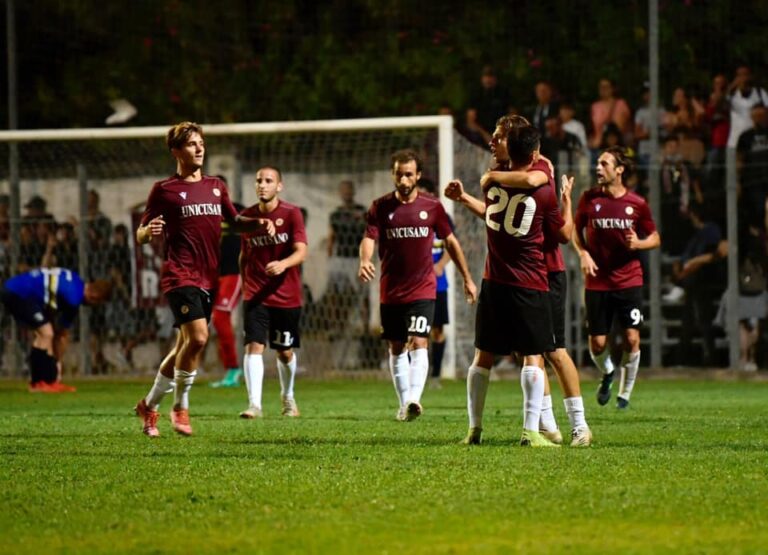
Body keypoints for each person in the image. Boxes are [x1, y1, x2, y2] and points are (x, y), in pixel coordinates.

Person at [449, 117, 591, 447]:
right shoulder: (510, 177)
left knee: (553, 351)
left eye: (498, 137)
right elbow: (503, 215)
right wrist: (469, 196)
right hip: (521, 276)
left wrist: (489, 178)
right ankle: (545, 426)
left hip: (545, 272)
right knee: (531, 353)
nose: (492, 143)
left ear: (514, 142)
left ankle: (578, 426)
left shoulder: (536, 169)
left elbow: (534, 180)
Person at [133, 121, 274, 438]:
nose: (199, 148)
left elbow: (234, 221)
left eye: (201, 143)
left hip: (209, 276)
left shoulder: (216, 186)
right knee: (198, 338)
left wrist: (257, 223)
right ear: (176, 151)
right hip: (179, 274)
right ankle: (180, 407)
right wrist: (148, 231)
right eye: (191, 144)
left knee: (184, 345)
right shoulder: (164, 190)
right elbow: (140, 233)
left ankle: (149, 405)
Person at [359, 149, 477, 422]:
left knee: (419, 340)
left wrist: (467, 278)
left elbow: (451, 242)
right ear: (393, 174)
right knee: (396, 346)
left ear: (418, 175)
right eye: (399, 174)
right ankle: (404, 404)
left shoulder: (432, 206)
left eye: (409, 174)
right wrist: (365, 260)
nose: (403, 180)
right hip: (391, 289)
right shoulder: (380, 207)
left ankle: (414, 398)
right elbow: (369, 238)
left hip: (423, 287)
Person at [573, 146, 661, 409]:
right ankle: (608, 371)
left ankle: (625, 394)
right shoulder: (589, 198)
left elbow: (655, 238)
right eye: (598, 163)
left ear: (620, 170)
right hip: (597, 280)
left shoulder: (637, 204)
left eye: (604, 164)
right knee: (598, 344)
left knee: (632, 338)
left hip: (628, 280)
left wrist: (639, 244)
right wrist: (583, 253)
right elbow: (575, 231)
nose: (598, 168)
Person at [239, 167, 308, 419]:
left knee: (284, 351)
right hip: (256, 295)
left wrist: (283, 264)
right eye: (259, 180)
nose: (262, 184)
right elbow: (244, 255)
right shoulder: (247, 218)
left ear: (279, 186)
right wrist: (244, 284)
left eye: (269, 181)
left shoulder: (291, 213)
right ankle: (254, 405)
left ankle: (288, 397)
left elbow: (302, 251)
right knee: (253, 346)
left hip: (286, 296)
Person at [0, 267, 111, 392]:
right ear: (95, 297)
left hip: (17, 289)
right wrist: (58, 362)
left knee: (46, 333)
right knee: (46, 333)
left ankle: (48, 381)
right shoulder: (73, 298)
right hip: (18, 293)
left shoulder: (76, 280)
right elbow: (62, 333)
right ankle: (38, 383)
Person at [416, 177, 452, 387]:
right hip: (416, 283)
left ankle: (436, 375)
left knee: (437, 331)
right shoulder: (411, 217)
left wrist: (441, 265)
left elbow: (452, 245)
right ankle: (417, 376)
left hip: (438, 284)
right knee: (417, 331)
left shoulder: (442, 217)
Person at [210, 193, 246, 388]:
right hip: (216, 274)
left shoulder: (238, 210)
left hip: (235, 272)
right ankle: (230, 369)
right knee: (214, 319)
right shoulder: (204, 212)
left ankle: (233, 368)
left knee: (221, 315)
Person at [326, 180, 370, 337]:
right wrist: (330, 258)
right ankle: (336, 327)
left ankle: (365, 328)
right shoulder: (336, 214)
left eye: (348, 190)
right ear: (340, 193)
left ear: (353, 192)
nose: (346, 193)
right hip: (340, 258)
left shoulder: (362, 212)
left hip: (357, 258)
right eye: (343, 190)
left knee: (363, 294)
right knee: (334, 293)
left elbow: (368, 233)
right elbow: (331, 237)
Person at [465, 66, 510, 148]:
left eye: (491, 77)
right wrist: (484, 134)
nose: (488, 80)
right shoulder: (476, 94)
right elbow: (470, 121)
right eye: (486, 77)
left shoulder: (503, 93)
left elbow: (512, 115)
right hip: (481, 136)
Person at [727, 64, 768, 149]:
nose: (743, 78)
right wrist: (731, 87)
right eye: (740, 75)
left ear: (751, 76)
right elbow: (718, 105)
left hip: (753, 141)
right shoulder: (731, 95)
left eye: (745, 74)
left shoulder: (760, 93)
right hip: (734, 141)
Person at [589, 78, 632, 151]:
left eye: (606, 87)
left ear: (612, 89)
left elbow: (626, 126)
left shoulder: (621, 105)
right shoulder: (595, 106)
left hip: (616, 146)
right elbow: (592, 128)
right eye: (601, 87)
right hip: (598, 146)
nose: (603, 89)